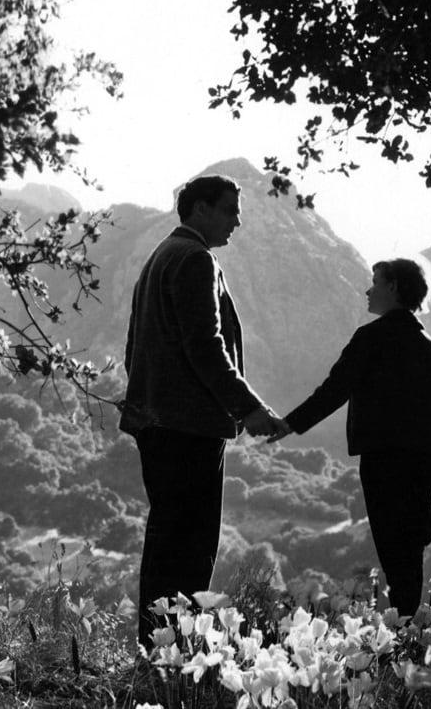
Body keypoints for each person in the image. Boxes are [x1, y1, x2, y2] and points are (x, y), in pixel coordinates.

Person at [119, 174, 283, 652]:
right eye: (230, 209)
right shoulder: (195, 260)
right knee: (190, 545)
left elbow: (136, 347)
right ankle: (178, 653)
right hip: (188, 428)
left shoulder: (160, 257)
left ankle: (157, 646)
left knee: (166, 537)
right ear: (200, 210)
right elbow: (206, 347)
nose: (237, 220)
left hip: (157, 422)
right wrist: (248, 408)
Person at [269, 258, 431, 616]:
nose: (368, 290)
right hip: (423, 462)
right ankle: (412, 633)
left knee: (392, 551)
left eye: (375, 282)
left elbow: (334, 390)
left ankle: (401, 638)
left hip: (383, 460)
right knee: (410, 553)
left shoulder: (371, 338)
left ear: (394, 287)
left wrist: (290, 424)